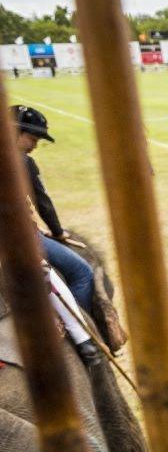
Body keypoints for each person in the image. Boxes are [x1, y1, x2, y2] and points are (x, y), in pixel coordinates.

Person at [10, 105, 95, 312]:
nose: (35, 146)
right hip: (16, 237)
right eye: (33, 138)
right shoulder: (23, 162)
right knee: (83, 273)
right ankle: (80, 338)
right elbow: (43, 202)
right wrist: (57, 231)